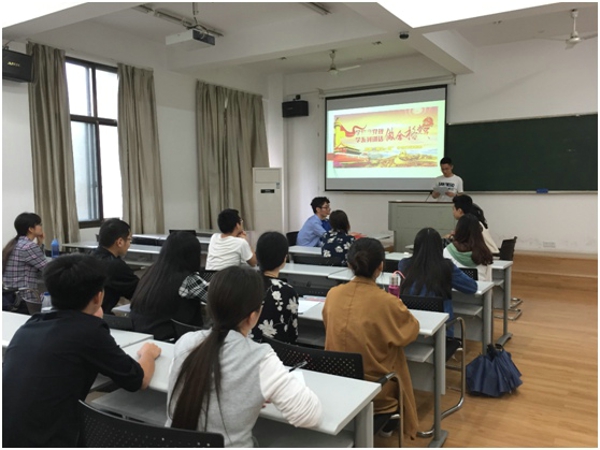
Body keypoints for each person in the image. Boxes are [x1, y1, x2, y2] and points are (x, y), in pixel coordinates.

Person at [2, 254, 161, 447]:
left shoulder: (30, 326)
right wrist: (148, 353)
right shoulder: (90, 332)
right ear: (98, 296)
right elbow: (139, 380)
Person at [166, 266, 321, 447]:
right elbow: (310, 416)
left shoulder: (185, 343)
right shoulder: (260, 358)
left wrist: (252, 394)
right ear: (254, 316)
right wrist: (263, 389)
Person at [322, 238, 420, 440]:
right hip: (376, 391)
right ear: (381, 266)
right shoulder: (387, 302)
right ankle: (389, 421)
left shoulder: (333, 294)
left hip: (336, 382)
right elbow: (411, 331)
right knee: (396, 355)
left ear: (349, 264)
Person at [130, 231, 209, 341]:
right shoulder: (188, 280)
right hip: (171, 339)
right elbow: (218, 299)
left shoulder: (152, 272)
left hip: (141, 334)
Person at [398, 228, 477, 322]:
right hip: (442, 326)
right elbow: (472, 287)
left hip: (411, 323)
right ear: (439, 246)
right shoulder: (446, 267)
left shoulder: (404, 265)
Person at [251, 231, 299, 344]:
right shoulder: (288, 291)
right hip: (277, 352)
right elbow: (293, 334)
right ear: (284, 259)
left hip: (246, 348)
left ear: (257, 255)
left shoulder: (246, 284)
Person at [93, 218, 139, 314]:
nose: (129, 244)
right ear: (120, 242)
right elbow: (140, 293)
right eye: (129, 239)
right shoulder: (115, 266)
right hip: (101, 316)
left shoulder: (89, 256)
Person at [2, 212, 48, 305]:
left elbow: (33, 259)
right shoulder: (29, 246)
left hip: (10, 297)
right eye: (39, 224)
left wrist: (39, 243)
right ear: (31, 229)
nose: (41, 227)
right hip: (25, 298)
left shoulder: (13, 244)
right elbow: (48, 268)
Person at [443, 214, 493, 281]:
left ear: (458, 230)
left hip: (454, 288)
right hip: (479, 287)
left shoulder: (446, 252)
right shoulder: (485, 254)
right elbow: (488, 282)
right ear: (478, 232)